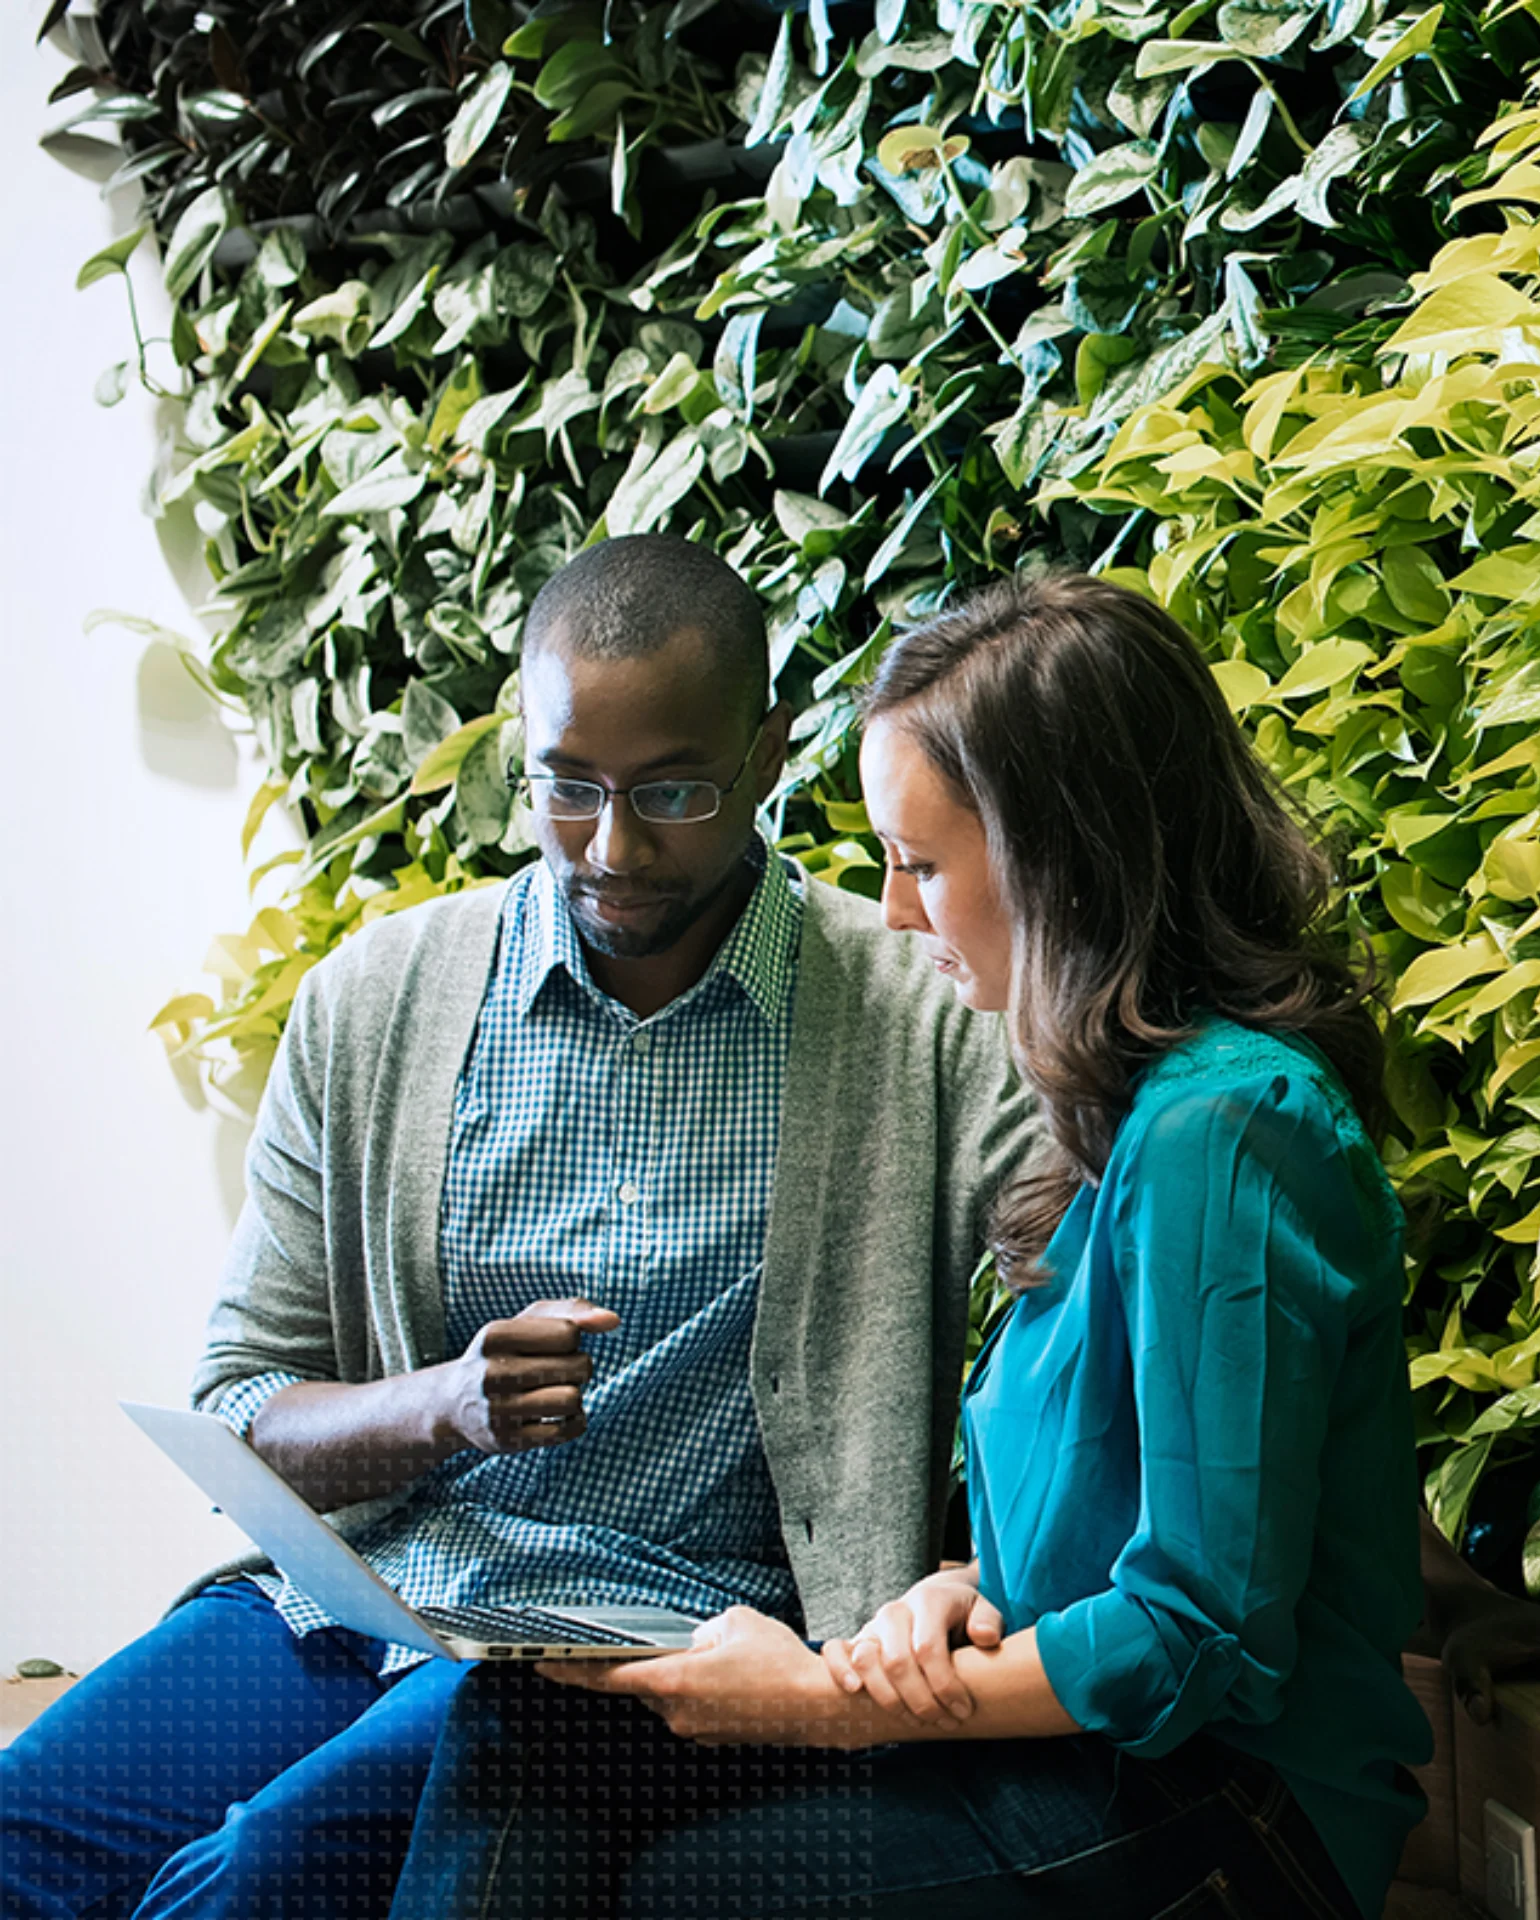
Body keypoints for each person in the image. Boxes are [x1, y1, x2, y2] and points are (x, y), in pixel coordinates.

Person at [0, 535, 1040, 1920]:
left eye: (672, 791)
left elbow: (1082, 1344)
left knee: (258, 1875)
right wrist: (443, 1409)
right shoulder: (377, 1002)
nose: (611, 849)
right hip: (350, 1604)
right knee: (24, 1838)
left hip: (630, 1650)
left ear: (771, 752)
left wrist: (961, 1575)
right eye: (566, 788)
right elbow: (239, 1406)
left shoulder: (921, 1020)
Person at [385, 570, 1448, 1920]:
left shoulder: (1229, 1129)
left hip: (1223, 1815)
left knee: (677, 1894)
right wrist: (957, 1595)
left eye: (923, 863)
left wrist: (830, 1700)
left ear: (1067, 857)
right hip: (1083, 1761)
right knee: (533, 1733)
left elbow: (1199, 1640)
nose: (893, 913)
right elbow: (1105, 1533)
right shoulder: (1120, 1117)